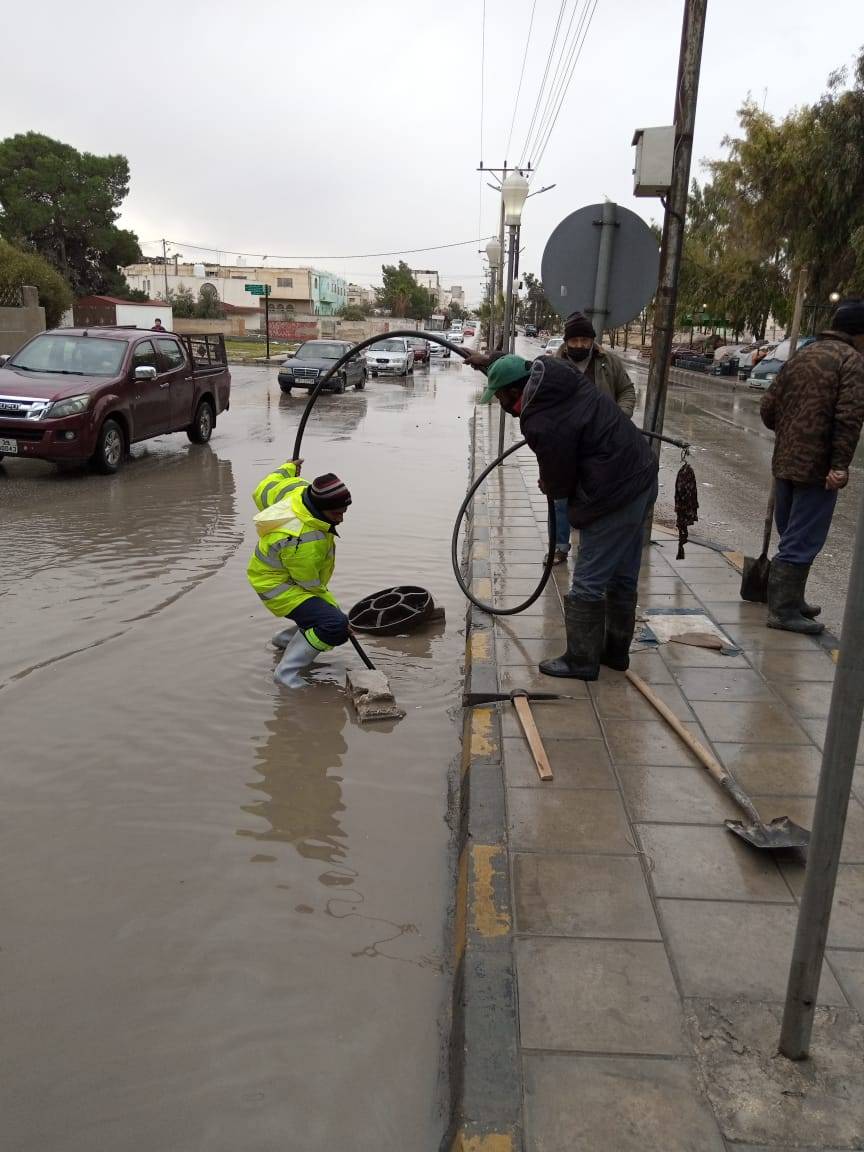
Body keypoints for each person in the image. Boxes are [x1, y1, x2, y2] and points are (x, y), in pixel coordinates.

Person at [475, 353, 658, 680]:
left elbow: (559, 482)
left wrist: (550, 482)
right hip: (641, 473)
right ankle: (615, 653)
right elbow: (515, 363)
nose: (500, 403)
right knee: (623, 574)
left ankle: (581, 660)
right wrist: (486, 361)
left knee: (588, 578)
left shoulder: (538, 420)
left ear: (514, 392)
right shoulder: (555, 371)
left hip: (613, 490)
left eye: (501, 396)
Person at [760, 298, 864, 634]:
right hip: (818, 468)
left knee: (791, 531)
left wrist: (791, 434)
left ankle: (793, 599)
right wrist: (839, 466)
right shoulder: (852, 361)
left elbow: (768, 407)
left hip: (785, 460)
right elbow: (849, 418)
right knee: (803, 537)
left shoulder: (802, 353)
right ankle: (782, 610)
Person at [247, 459, 353, 687]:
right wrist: (338, 614)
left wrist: (288, 468)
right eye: (337, 513)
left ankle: (284, 641)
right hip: (277, 586)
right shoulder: (304, 540)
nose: (341, 518)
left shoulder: (297, 491)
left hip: (277, 575)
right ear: (321, 508)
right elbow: (310, 585)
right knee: (334, 626)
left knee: (325, 617)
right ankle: (286, 675)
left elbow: (263, 489)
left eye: (344, 511)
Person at [548, 311, 637, 563]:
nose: (579, 346)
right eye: (574, 341)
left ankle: (592, 549)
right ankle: (559, 547)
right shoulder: (554, 366)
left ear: (592, 340)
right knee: (559, 498)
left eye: (584, 341)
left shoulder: (609, 363)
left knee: (597, 498)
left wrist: (618, 418)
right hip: (565, 445)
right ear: (566, 342)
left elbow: (627, 391)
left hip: (602, 446)